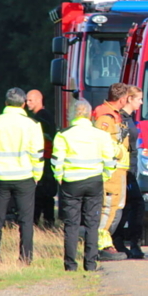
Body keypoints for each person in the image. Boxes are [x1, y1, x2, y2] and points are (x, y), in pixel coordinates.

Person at [0, 88, 45, 264]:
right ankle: (25, 258)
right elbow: (37, 153)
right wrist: (37, 174)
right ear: (24, 104)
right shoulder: (32, 124)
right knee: (25, 220)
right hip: (25, 177)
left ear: (5, 103)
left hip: (0, 177)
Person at [52, 99, 117, 271]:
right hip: (94, 181)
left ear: (72, 114)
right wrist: (105, 175)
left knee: (71, 224)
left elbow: (56, 160)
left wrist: (60, 176)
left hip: (71, 183)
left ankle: (70, 265)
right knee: (92, 223)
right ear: (89, 115)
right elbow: (110, 159)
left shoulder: (63, 135)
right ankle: (90, 264)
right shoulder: (101, 135)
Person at [93, 83, 131, 261]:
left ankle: (104, 240)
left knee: (116, 206)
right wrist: (119, 153)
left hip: (118, 168)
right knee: (109, 205)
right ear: (122, 99)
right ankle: (101, 243)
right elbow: (104, 142)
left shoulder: (112, 114)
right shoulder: (105, 116)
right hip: (112, 168)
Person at [112, 85, 146, 259]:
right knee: (134, 204)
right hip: (123, 169)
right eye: (139, 98)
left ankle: (121, 241)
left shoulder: (130, 118)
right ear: (129, 99)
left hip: (130, 168)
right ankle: (130, 243)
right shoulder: (121, 119)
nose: (141, 102)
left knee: (127, 206)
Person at [26, 89, 59, 228]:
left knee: (41, 194)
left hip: (44, 158)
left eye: (30, 100)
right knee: (45, 195)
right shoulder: (45, 116)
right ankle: (47, 224)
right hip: (46, 158)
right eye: (26, 100)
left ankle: (40, 223)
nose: (27, 103)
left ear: (39, 100)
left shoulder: (41, 118)